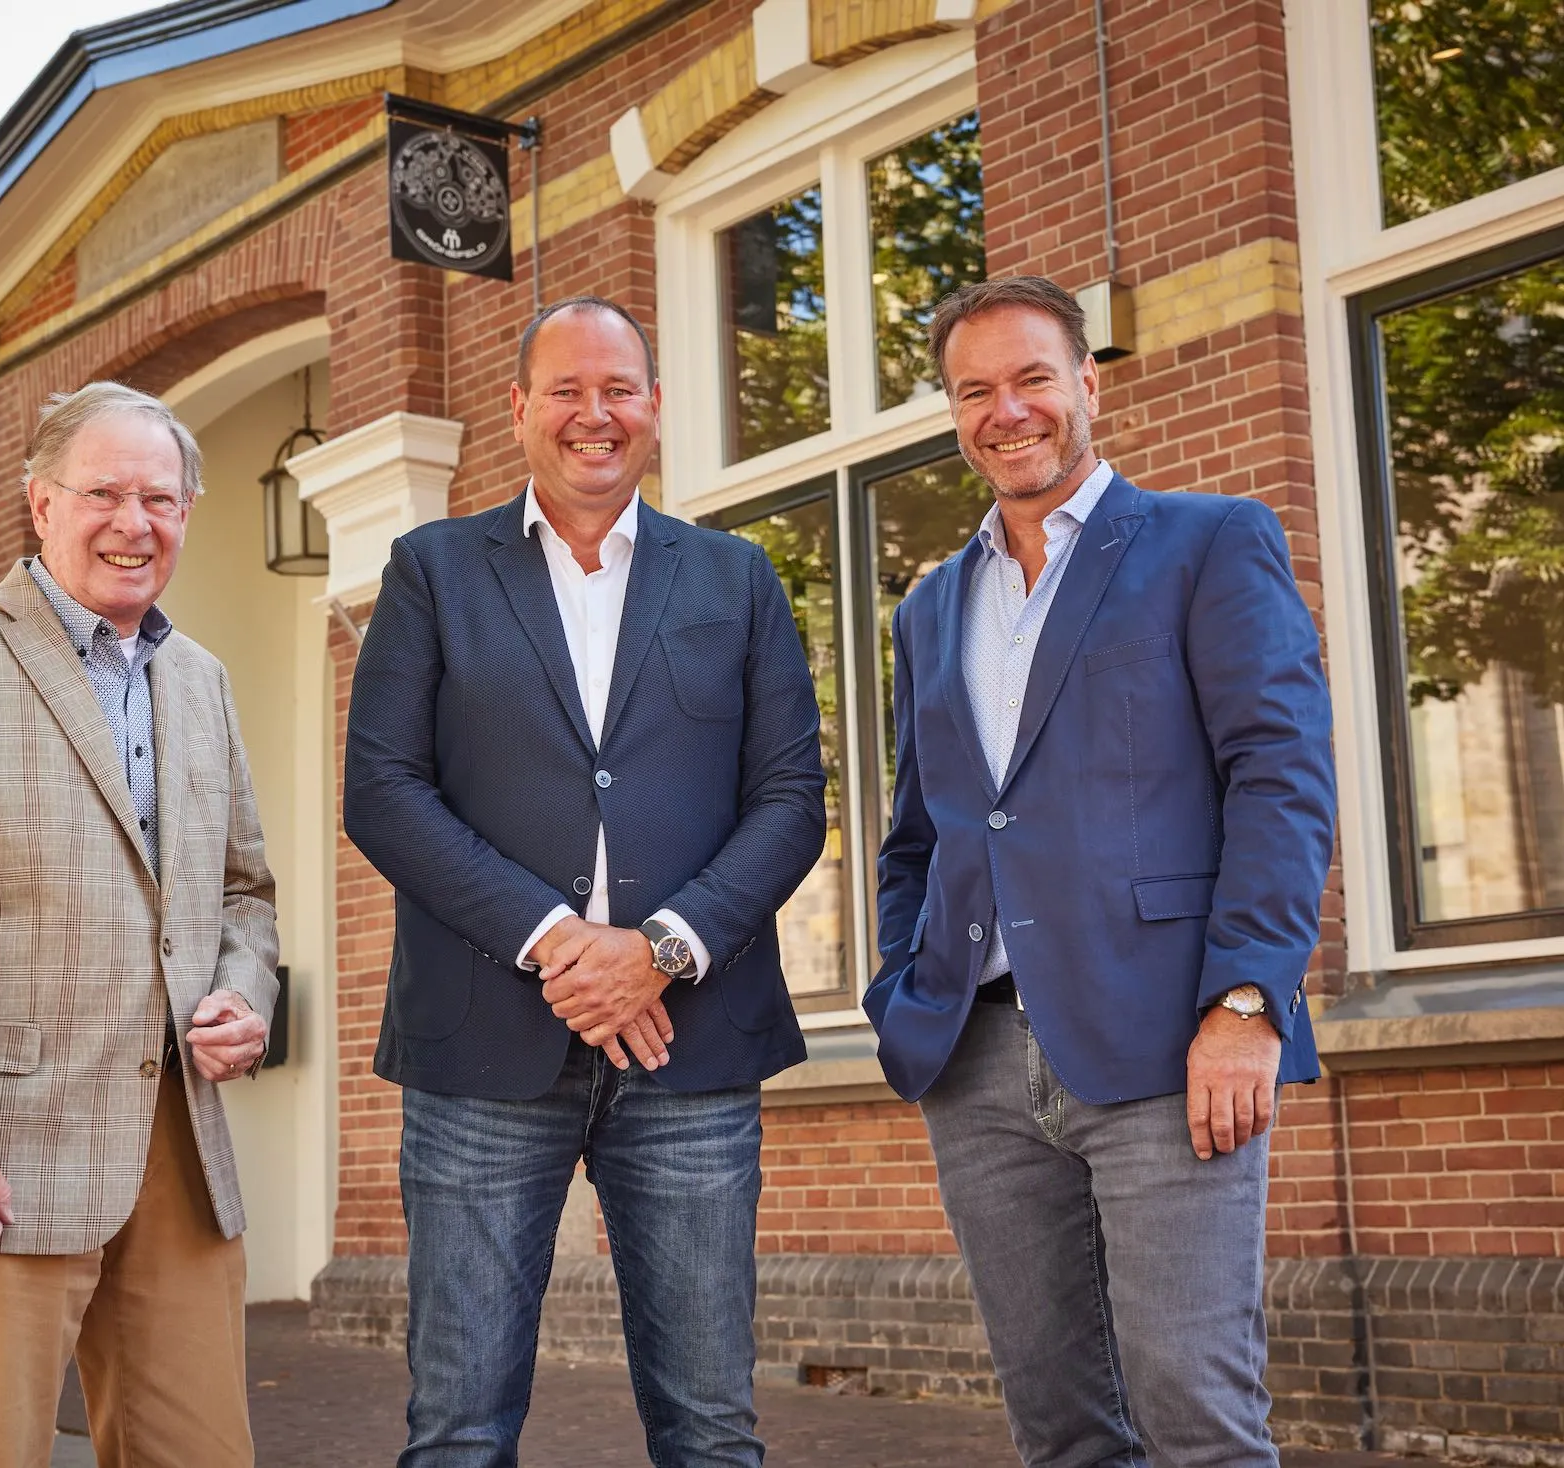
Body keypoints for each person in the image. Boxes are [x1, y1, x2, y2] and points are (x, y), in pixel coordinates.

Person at [344, 296, 827, 1466]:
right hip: (480, 1044)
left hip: (691, 1047)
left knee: (711, 1427)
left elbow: (788, 800)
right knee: (458, 1429)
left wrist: (655, 949)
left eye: (617, 390)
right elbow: (384, 791)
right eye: (565, 389)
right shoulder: (431, 571)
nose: (592, 414)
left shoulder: (736, 577)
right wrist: (560, 938)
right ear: (519, 408)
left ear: (654, 407)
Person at [865, 275, 1335, 1467]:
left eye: (1032, 378)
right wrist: (902, 988)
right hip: (975, 1061)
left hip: (1168, 1044)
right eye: (974, 390)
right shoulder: (929, 607)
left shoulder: (1207, 542)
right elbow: (919, 832)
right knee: (1060, 1429)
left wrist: (1246, 1002)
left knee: (1196, 1417)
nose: (1006, 411)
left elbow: (1279, 778)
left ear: (1086, 381)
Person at [0, 381, 280, 1468]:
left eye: (159, 499)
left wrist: (242, 991)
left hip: (178, 1151)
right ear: (40, 503)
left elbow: (244, 894)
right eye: (104, 493)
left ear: (186, 512)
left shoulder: (202, 681)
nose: (134, 523)